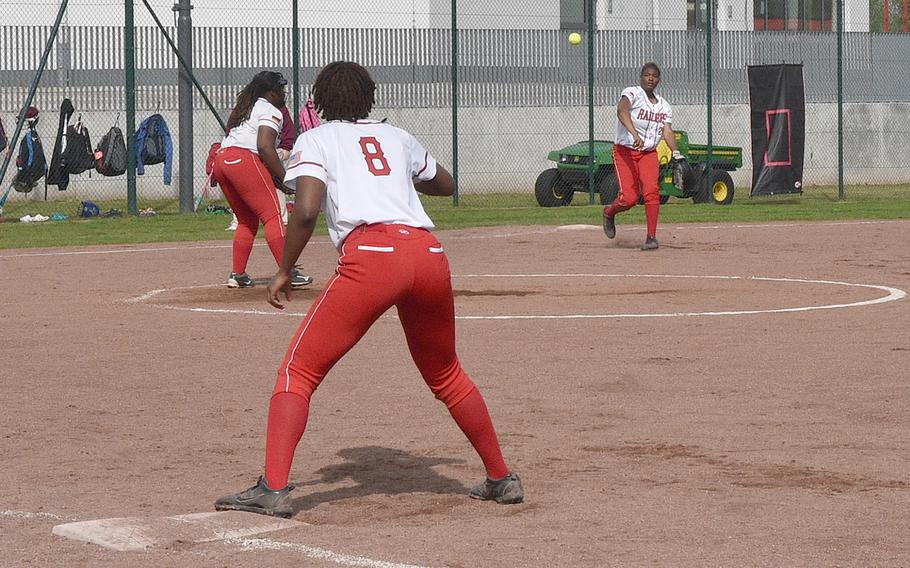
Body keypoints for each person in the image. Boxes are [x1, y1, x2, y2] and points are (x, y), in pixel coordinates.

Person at [214, 61, 523, 518]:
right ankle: (501, 477)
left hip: (373, 257)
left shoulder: (316, 139)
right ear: (369, 99)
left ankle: (272, 488)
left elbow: (306, 210)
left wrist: (284, 269)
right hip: (428, 253)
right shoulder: (396, 136)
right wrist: (396, 176)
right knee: (446, 374)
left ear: (318, 102)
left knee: (297, 373)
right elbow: (445, 182)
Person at [212, 71, 312, 288]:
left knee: (247, 220)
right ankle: (289, 273)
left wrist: (274, 177)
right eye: (280, 89)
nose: (283, 93)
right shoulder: (269, 109)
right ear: (270, 92)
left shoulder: (245, 107)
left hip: (222, 160)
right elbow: (265, 146)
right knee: (273, 216)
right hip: (244, 160)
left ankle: (238, 274)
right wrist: (285, 179)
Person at [602, 62, 681, 251]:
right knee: (629, 198)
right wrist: (634, 134)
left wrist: (677, 153)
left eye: (654, 75)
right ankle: (609, 212)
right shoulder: (632, 93)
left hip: (648, 153)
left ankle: (651, 237)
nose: (650, 78)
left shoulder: (664, 106)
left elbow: (667, 131)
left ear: (659, 80)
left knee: (652, 192)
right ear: (641, 77)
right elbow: (621, 111)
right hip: (625, 151)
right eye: (647, 75)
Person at [226, 104, 296, 231]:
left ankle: (281, 218)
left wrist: (284, 148)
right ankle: (239, 220)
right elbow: (231, 131)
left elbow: (288, 134)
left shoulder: (279, 109)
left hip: (274, 150)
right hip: (249, 153)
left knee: (275, 178)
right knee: (244, 182)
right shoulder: (245, 106)